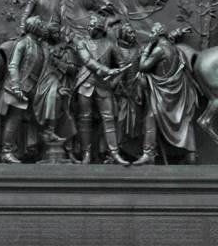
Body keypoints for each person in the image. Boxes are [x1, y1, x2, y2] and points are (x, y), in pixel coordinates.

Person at [132, 22, 198, 165]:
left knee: (150, 117)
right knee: (185, 121)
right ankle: (192, 155)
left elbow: (143, 67)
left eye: (152, 33)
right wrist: (178, 32)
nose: (150, 35)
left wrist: (149, 46)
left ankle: (148, 154)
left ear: (157, 34)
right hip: (177, 93)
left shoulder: (159, 50)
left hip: (163, 93)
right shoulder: (174, 48)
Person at [72, 13, 128, 164]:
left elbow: (122, 65)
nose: (88, 27)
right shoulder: (81, 42)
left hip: (104, 86)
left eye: (91, 24)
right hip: (86, 83)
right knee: (85, 119)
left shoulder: (110, 44)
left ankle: (114, 153)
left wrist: (115, 81)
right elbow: (87, 61)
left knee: (109, 119)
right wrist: (107, 70)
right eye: (89, 24)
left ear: (99, 27)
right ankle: (87, 154)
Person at [0, 16, 49, 163]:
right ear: (34, 27)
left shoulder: (40, 46)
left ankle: (27, 150)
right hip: (18, 87)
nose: (44, 29)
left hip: (34, 88)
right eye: (41, 26)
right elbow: (13, 66)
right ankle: (6, 151)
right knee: (14, 118)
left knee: (30, 121)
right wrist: (16, 86)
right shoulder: (23, 43)